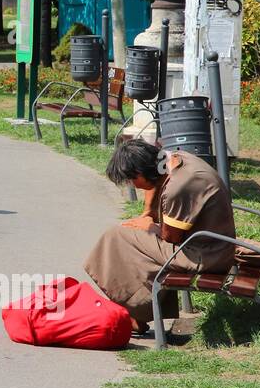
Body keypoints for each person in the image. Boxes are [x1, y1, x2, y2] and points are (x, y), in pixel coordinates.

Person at [85, 140, 242, 334]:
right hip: (213, 245)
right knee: (134, 238)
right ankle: (136, 312)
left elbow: (170, 237)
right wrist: (148, 213)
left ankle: (134, 313)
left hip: (204, 255)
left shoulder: (178, 187)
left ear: (141, 173)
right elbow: (154, 186)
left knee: (116, 236)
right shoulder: (174, 160)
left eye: (131, 180)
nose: (133, 186)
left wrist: (149, 225)